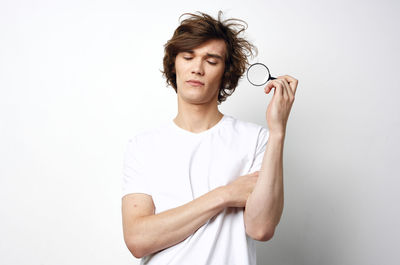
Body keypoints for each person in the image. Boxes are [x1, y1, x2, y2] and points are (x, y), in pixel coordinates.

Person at [121, 11, 298, 265]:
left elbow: (261, 228)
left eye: (211, 61)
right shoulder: (143, 146)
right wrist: (225, 195)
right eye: (188, 57)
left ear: (226, 73)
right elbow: (138, 239)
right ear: (174, 64)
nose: (197, 68)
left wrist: (278, 131)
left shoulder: (255, 139)